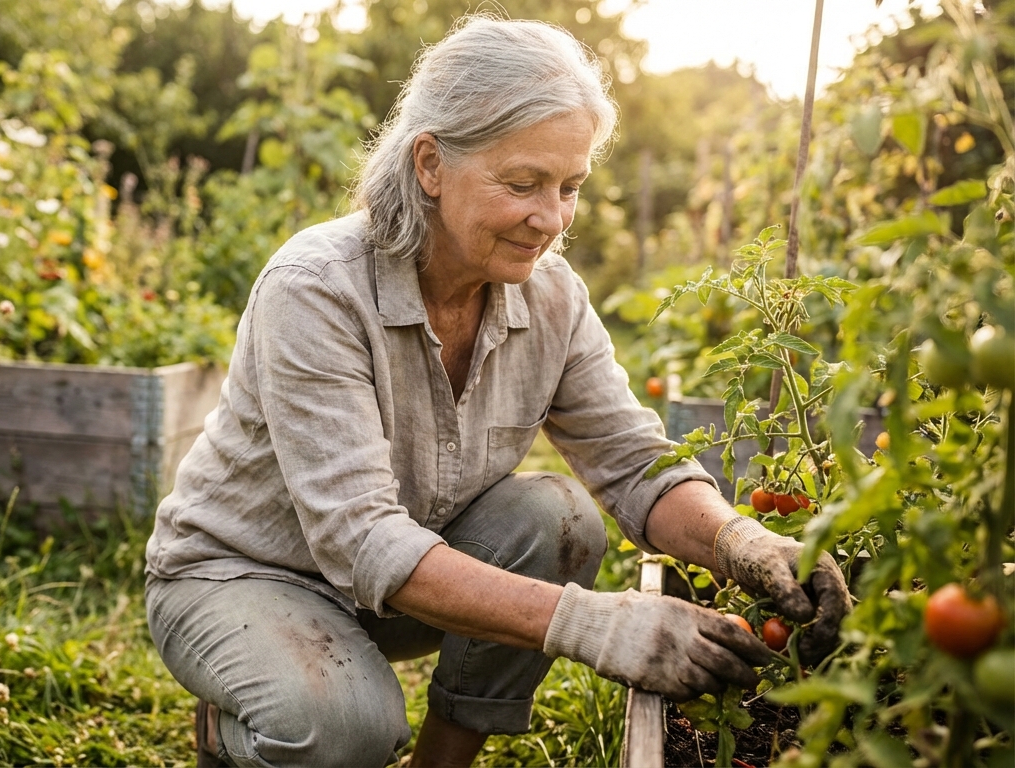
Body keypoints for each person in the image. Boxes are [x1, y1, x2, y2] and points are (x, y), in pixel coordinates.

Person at [144, 15, 849, 768]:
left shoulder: (550, 299)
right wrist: (595, 624)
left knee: (559, 518)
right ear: (430, 165)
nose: (550, 218)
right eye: (523, 184)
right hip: (243, 574)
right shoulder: (315, 289)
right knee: (345, 729)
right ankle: (236, 727)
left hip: (394, 588)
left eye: (569, 186)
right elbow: (362, 538)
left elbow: (633, 463)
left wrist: (741, 541)